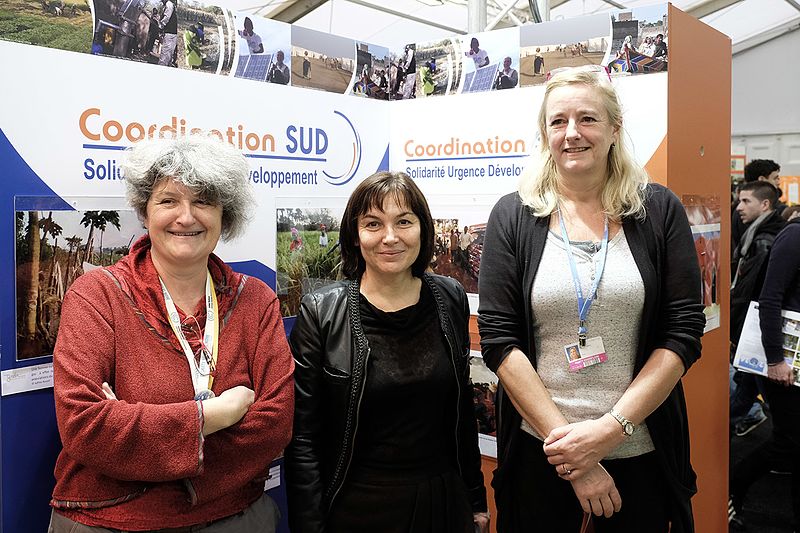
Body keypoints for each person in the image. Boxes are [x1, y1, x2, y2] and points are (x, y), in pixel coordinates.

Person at [477, 67, 705, 532]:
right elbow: (500, 341)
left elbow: (682, 333)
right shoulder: (512, 215)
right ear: (545, 133)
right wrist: (576, 457)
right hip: (541, 455)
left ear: (614, 128)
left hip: (640, 451)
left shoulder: (658, 210)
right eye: (558, 121)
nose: (572, 133)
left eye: (588, 119)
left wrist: (607, 431)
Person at [48, 136, 295, 532]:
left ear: (224, 214)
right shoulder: (97, 296)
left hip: (233, 517)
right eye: (168, 201)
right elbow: (85, 425)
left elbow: (276, 423)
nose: (186, 216)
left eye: (202, 201)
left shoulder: (255, 301)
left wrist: (135, 431)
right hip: (112, 519)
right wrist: (215, 414)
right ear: (145, 212)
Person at [285, 171, 489, 533]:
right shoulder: (321, 312)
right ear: (355, 234)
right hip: (358, 507)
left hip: (442, 502)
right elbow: (303, 440)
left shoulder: (449, 298)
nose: (390, 237)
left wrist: (475, 500)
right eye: (373, 224)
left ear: (423, 228)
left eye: (404, 222)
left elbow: (460, 414)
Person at [729, 212, 800, 530]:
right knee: (789, 441)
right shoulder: (793, 236)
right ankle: (733, 490)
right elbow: (769, 299)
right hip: (782, 360)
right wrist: (774, 360)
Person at [729, 181, 784, 437]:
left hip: (755, 328)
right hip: (752, 327)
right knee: (749, 383)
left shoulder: (764, 240)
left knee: (750, 383)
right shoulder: (754, 233)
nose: (739, 207)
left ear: (764, 205)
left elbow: (754, 291)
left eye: (746, 201)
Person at [732, 159, 782, 249]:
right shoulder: (746, 215)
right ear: (762, 179)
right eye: (775, 178)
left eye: (746, 201)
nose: (778, 182)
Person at [157, 0, 177, 66]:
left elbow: (166, 17)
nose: (162, 2)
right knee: (169, 55)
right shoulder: (170, 5)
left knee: (165, 54)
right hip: (172, 33)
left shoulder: (169, 4)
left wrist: (160, 26)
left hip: (169, 33)